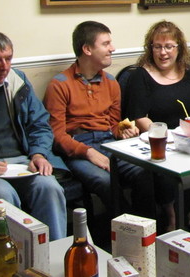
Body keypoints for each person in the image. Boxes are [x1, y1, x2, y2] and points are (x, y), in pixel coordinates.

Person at [44, 21, 157, 224]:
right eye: (106, 44)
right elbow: (57, 135)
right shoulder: (59, 85)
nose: (112, 48)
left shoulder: (111, 82)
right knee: (105, 180)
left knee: (143, 171)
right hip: (78, 147)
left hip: (108, 141)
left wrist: (123, 130)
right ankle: (129, 228)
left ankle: (149, 229)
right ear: (87, 49)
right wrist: (87, 152)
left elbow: (113, 124)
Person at [124, 20, 190, 233]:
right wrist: (165, 137)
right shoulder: (140, 76)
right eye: (157, 47)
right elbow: (138, 116)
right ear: (150, 48)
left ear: (179, 48)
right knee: (163, 168)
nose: (163, 53)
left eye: (169, 46)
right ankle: (171, 217)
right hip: (163, 141)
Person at [0, 32, 67, 240]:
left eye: (9, 58)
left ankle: (51, 257)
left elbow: (40, 124)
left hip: (21, 162)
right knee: (2, 195)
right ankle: (9, 263)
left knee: (49, 187)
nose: (4, 66)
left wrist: (39, 154)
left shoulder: (17, 81)